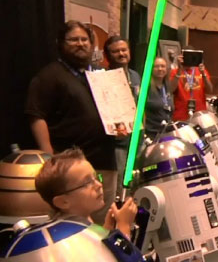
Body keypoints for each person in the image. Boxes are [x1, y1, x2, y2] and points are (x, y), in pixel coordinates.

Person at [25, 20, 117, 224]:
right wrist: (50, 159)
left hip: (104, 163)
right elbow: (36, 116)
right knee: (74, 225)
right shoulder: (48, 77)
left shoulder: (97, 76)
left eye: (84, 39)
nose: (80, 43)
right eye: (74, 39)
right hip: (73, 174)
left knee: (103, 224)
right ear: (61, 43)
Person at [34, 148, 137, 239]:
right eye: (87, 183)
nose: (99, 185)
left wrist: (108, 226)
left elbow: (100, 246)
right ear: (63, 202)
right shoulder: (72, 236)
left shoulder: (81, 220)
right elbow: (121, 259)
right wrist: (124, 225)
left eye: (96, 177)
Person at [103, 36, 141, 195]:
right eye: (116, 51)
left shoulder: (135, 76)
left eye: (124, 50)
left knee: (136, 183)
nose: (121, 54)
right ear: (107, 55)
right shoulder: (104, 78)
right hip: (117, 144)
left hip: (137, 139)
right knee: (119, 186)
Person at [169, 46, 213, 121]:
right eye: (187, 56)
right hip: (181, 115)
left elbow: (210, 91)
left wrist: (203, 74)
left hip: (200, 115)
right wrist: (179, 70)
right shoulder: (175, 71)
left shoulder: (202, 71)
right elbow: (170, 90)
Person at [145, 57, 174, 139]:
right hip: (151, 135)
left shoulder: (167, 86)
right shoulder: (146, 87)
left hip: (167, 133)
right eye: (156, 66)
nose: (160, 69)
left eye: (163, 66)